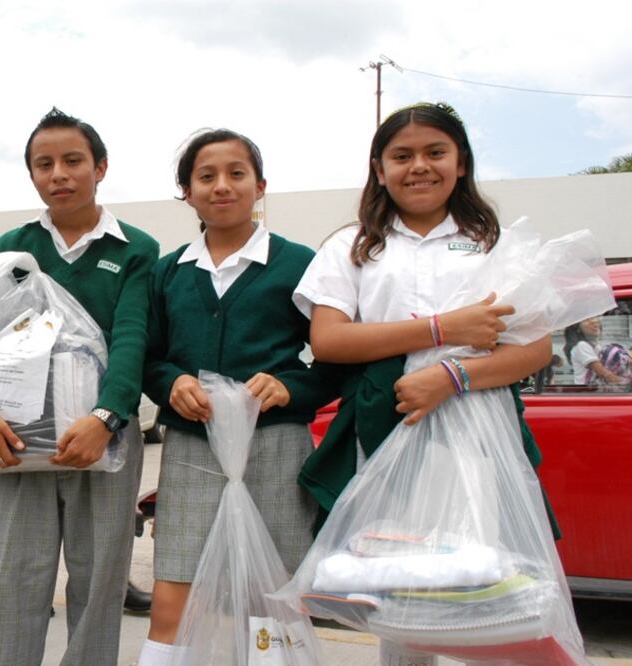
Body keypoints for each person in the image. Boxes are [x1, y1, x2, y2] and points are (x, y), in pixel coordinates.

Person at [292, 102, 554, 666]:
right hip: (386, 422)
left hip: (479, 425)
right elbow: (330, 341)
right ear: (378, 168)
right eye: (401, 155)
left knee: (481, 573)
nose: (419, 167)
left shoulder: (495, 243)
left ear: (461, 162)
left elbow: (534, 347)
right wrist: (442, 329)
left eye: (436, 152)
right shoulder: (353, 245)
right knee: (396, 579)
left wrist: (453, 375)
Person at [0, 108, 159, 665]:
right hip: (15, 442)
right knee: (9, 581)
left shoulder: (134, 249)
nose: (58, 173)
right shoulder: (10, 247)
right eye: (44, 163)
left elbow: (134, 337)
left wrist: (107, 418)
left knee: (98, 584)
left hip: (99, 443)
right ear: (33, 174)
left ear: (100, 167)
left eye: (72, 161)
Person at [136, 129, 341, 665]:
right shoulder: (168, 272)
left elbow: (335, 361)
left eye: (236, 174)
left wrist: (290, 386)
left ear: (261, 186)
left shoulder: (299, 264)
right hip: (193, 453)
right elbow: (149, 356)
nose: (221, 186)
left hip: (276, 450)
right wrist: (170, 382)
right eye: (206, 176)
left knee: (270, 602)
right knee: (172, 595)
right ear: (187, 191)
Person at [564, 317, 624, 385]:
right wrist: (625, 383)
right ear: (578, 329)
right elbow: (603, 374)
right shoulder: (581, 345)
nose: (595, 322)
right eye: (586, 320)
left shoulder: (596, 347)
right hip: (587, 393)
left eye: (596, 320)